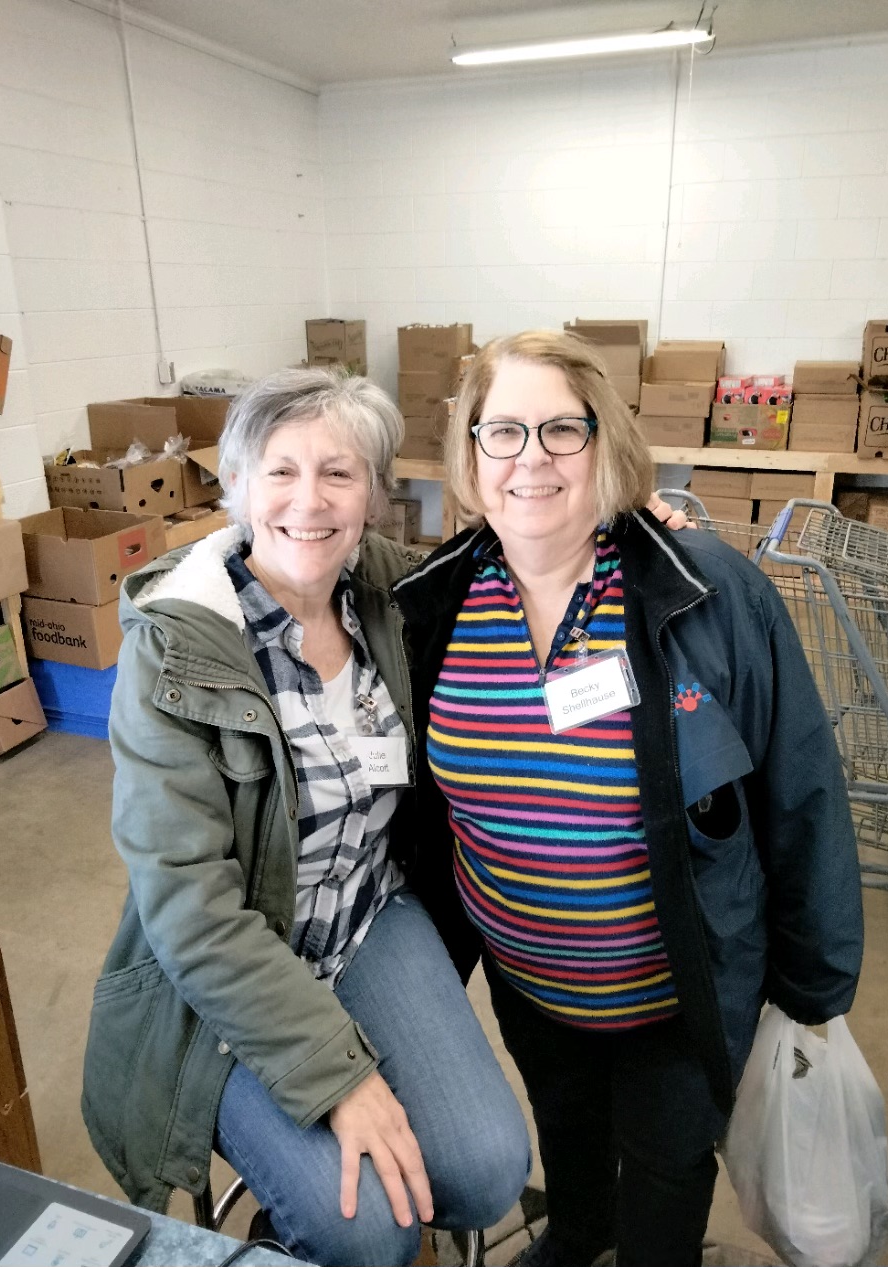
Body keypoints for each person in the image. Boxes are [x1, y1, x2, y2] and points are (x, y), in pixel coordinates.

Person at [391, 330, 865, 1267]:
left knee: (664, 1165)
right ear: (471, 452)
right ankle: (577, 1235)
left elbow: (800, 786)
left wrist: (815, 982)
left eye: (563, 430)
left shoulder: (702, 591)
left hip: (676, 988)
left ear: (607, 443)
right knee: (566, 1134)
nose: (532, 458)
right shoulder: (436, 604)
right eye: (505, 432)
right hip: (526, 975)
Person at [80, 367, 534, 1267]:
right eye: (280, 472)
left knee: (487, 1170)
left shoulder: (393, 595)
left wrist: (627, 531)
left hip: (367, 919)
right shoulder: (175, 649)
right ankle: (289, 1230)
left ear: (374, 493)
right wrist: (339, 1078)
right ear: (238, 487)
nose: (309, 502)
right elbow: (192, 912)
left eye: (340, 472)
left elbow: (523, 556)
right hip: (231, 965)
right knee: (368, 1233)